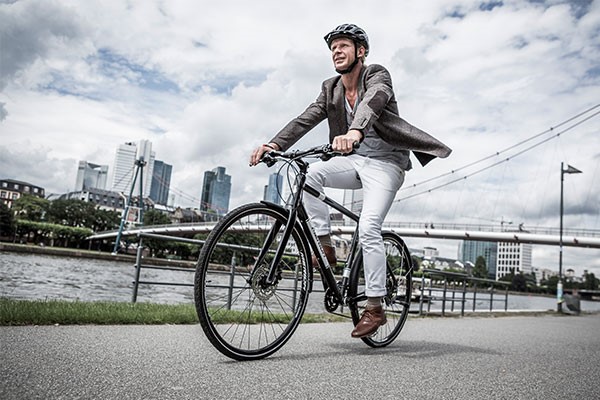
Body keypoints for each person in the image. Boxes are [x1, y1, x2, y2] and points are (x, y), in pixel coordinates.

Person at [250, 23, 451, 338]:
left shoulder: (377, 75)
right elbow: (305, 119)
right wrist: (273, 145)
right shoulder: (331, 88)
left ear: (361, 51)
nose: (337, 52)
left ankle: (374, 307)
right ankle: (326, 245)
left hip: (386, 164)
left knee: (369, 227)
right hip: (355, 162)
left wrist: (355, 131)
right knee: (311, 175)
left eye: (343, 45)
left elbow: (376, 100)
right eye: (333, 48)